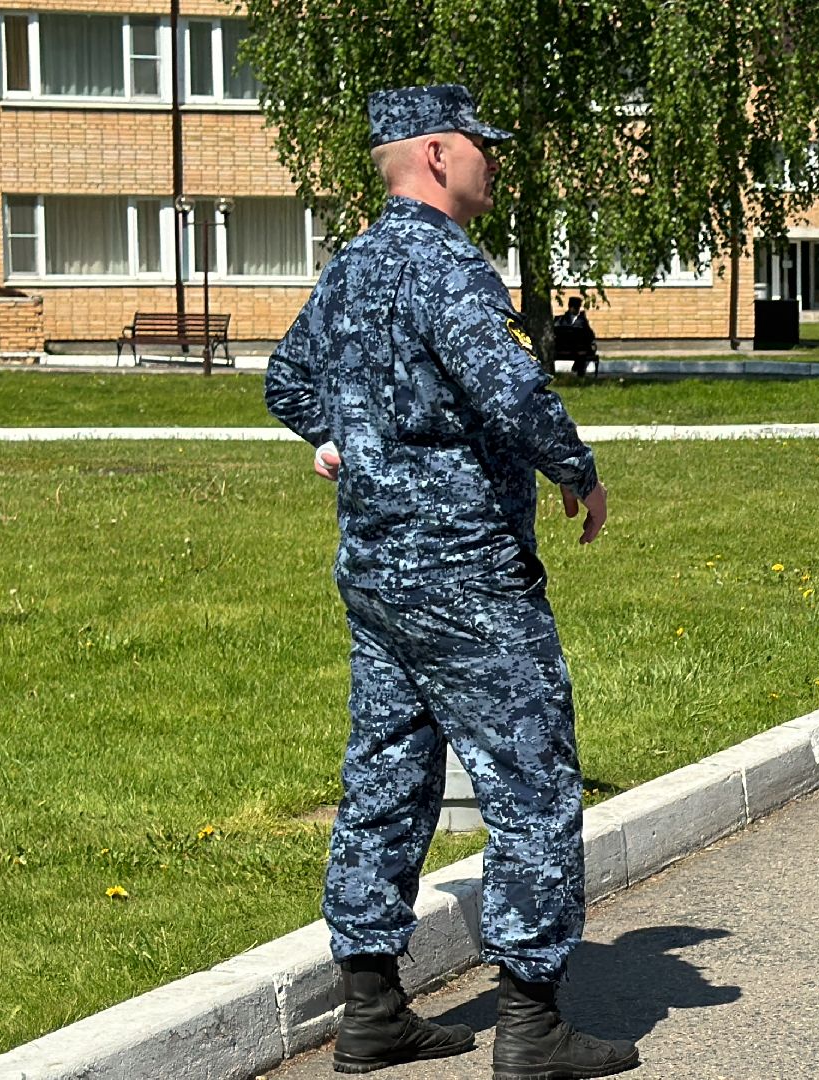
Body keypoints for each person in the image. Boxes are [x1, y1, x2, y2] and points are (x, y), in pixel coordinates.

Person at [264, 84, 636, 1078]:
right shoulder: (449, 268)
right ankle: (531, 1021)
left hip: (378, 572)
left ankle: (372, 1006)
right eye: (482, 146)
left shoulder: (351, 268)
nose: (492, 162)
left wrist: (339, 442)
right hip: (468, 575)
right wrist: (579, 472)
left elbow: (286, 379)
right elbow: (513, 390)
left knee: (386, 776)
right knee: (531, 781)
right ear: (435, 153)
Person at [554, 296, 599, 376]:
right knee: (584, 352)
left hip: (578, 349)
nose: (576, 309)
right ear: (570, 307)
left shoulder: (581, 320)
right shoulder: (560, 320)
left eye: (577, 307)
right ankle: (579, 370)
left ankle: (578, 370)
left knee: (583, 352)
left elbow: (590, 335)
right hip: (567, 349)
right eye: (575, 307)